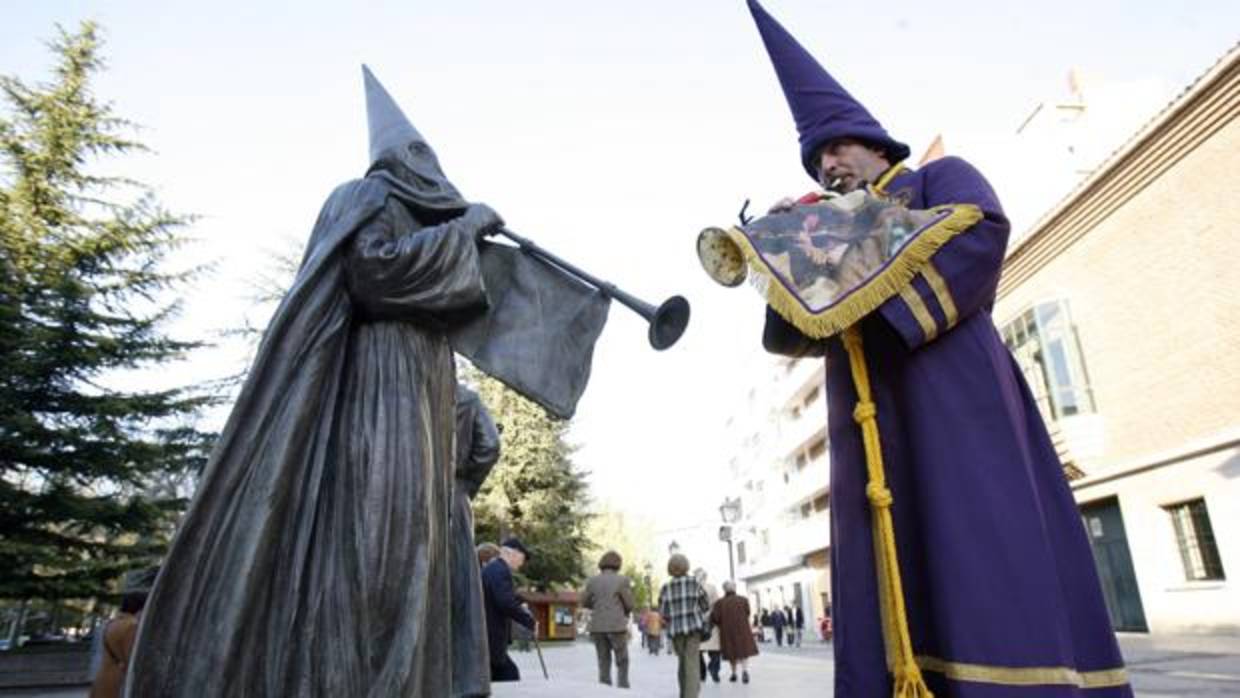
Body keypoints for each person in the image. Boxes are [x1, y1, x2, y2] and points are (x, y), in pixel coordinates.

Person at [745, 3, 1132, 696]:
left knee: (981, 549)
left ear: (876, 145)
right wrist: (783, 255)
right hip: (868, 429)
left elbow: (979, 234)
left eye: (836, 147)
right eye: (816, 158)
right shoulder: (823, 228)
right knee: (899, 576)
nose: (827, 164)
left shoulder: (937, 178)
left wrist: (838, 241)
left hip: (957, 404)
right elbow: (800, 333)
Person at [125, 66, 501, 698]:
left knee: (414, 559)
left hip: (422, 394)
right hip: (377, 396)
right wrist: (461, 233)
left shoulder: (417, 216)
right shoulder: (364, 198)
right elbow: (372, 273)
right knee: (376, 553)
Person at [451, 384, 502, 698]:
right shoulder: (465, 397)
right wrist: (465, 486)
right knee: (458, 588)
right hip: (454, 495)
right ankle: (464, 681)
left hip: (402, 491)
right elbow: (489, 446)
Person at [482, 538, 537, 682]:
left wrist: (520, 600)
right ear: (513, 553)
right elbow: (505, 602)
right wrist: (528, 620)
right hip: (490, 634)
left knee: (502, 675)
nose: (522, 563)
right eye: (522, 558)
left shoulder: (495, 569)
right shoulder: (500, 570)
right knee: (509, 675)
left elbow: (504, 595)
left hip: (488, 635)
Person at [657, 554, 710, 698]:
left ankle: (684, 694)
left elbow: (663, 613)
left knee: (682, 663)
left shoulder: (665, 587)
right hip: (693, 629)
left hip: (676, 631)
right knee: (692, 664)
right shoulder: (695, 583)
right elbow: (706, 605)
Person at [582, 550, 636, 688]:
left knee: (603, 661)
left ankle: (604, 691)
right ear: (618, 564)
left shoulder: (592, 581)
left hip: (598, 626)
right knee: (622, 660)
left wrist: (597, 605)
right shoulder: (622, 580)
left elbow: (585, 602)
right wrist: (624, 611)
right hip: (616, 625)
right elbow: (629, 604)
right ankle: (623, 689)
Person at [89, 588, 148, 698]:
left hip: (103, 679)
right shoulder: (131, 626)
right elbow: (131, 658)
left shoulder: (112, 623)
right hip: (118, 682)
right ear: (140, 609)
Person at [710, 581, 759, 685]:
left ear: (724, 589)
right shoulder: (743, 600)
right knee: (743, 652)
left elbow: (715, 618)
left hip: (727, 631)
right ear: (735, 588)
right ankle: (745, 670)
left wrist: (720, 624)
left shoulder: (719, 603)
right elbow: (747, 613)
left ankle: (733, 673)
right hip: (742, 630)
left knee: (731, 653)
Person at [694, 569, 722, 683]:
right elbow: (717, 604)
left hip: (701, 623)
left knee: (701, 651)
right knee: (712, 650)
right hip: (708, 622)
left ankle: (704, 673)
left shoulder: (694, 588)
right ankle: (712, 670)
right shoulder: (711, 587)